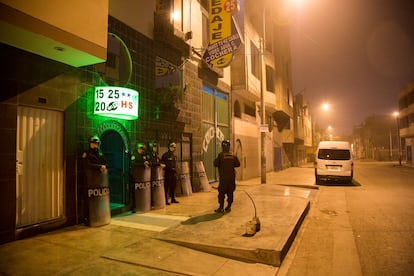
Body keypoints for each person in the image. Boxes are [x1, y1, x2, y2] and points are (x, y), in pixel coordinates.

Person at [79, 135, 107, 224]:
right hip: (88, 180)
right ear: (90, 144)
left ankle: (98, 216)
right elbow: (86, 165)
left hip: (98, 181)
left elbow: (105, 163)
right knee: (88, 200)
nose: (95, 145)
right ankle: (87, 219)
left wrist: (104, 167)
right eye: (93, 143)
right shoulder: (86, 153)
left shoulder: (100, 153)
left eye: (97, 144)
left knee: (97, 200)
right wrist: (99, 167)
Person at [213, 139, 240, 213]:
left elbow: (215, 164)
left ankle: (221, 208)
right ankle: (229, 207)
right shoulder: (233, 155)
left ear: (222, 147)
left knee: (221, 193)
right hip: (231, 178)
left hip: (223, 178)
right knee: (230, 192)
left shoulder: (221, 155)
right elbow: (238, 164)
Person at [130, 142, 150, 212]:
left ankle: (142, 204)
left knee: (141, 192)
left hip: (142, 177)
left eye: (143, 149)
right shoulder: (134, 155)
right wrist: (143, 164)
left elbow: (147, 161)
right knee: (134, 192)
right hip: (135, 176)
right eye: (141, 149)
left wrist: (147, 163)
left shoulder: (143, 155)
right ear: (137, 148)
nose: (142, 150)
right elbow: (133, 163)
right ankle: (133, 207)